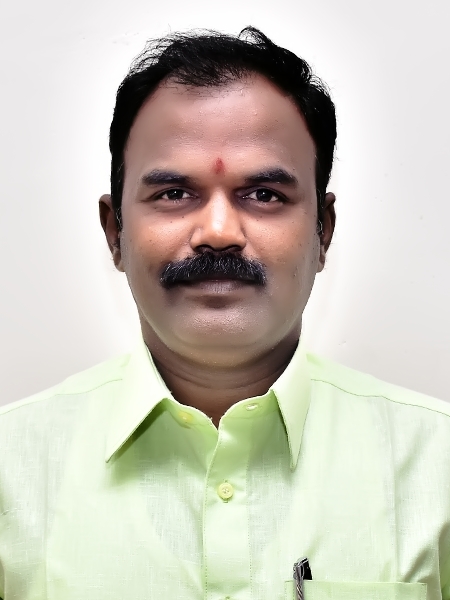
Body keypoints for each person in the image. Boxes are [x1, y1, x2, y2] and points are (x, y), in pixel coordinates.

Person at [0, 26, 449, 600]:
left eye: (264, 195)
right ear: (115, 233)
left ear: (323, 232)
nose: (217, 232)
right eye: (174, 193)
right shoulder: (12, 470)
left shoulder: (437, 466)